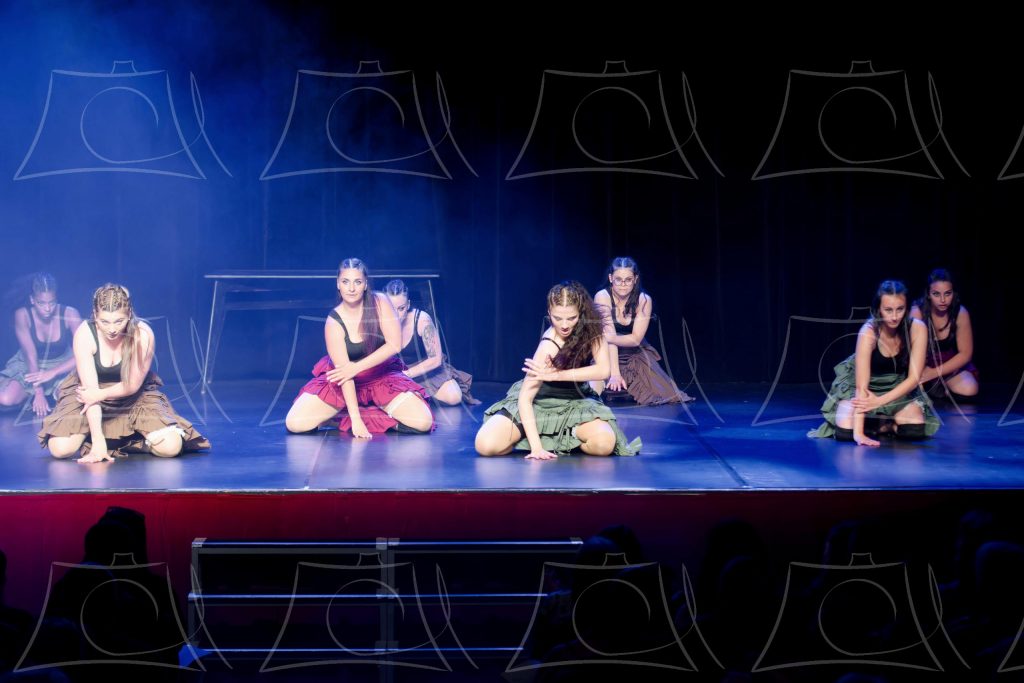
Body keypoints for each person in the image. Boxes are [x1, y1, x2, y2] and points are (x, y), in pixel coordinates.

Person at [37, 283, 209, 462]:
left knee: (171, 447)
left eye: (119, 321)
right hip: (90, 396)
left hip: (132, 396)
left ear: (129, 314)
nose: (112, 329)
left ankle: (132, 440)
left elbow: (132, 385)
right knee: (60, 449)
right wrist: (97, 441)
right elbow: (90, 394)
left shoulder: (142, 334)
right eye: (104, 321)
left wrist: (101, 394)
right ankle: (98, 439)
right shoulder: (85, 333)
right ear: (95, 315)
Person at [475, 280, 641, 458]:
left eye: (571, 318)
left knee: (604, 445)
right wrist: (536, 448)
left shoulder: (592, 329)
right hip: (539, 402)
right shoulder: (548, 344)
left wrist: (557, 375)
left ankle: (569, 435)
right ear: (549, 313)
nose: (564, 325)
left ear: (580, 313)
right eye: (557, 318)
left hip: (575, 402)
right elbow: (525, 398)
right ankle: (530, 435)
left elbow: (603, 370)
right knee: (485, 445)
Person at [285, 259, 434, 438]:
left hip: (380, 377)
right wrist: (355, 421)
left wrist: (356, 367)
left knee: (423, 422)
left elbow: (394, 344)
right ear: (338, 284)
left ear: (365, 284)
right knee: (294, 423)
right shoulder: (334, 322)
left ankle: (369, 415)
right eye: (345, 282)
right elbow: (344, 374)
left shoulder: (380, 302)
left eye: (357, 282)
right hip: (343, 382)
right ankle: (350, 415)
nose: (351, 288)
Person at [809, 280, 939, 446]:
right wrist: (859, 434)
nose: (894, 316)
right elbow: (861, 387)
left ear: (906, 308)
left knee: (914, 430)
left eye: (900, 309)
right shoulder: (868, 332)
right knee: (846, 433)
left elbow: (914, 379)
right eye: (888, 310)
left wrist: (879, 401)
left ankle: (885, 424)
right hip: (865, 387)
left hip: (896, 386)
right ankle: (875, 423)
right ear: (878, 309)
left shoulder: (917, 328)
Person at [592, 257, 693, 404]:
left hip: (635, 353)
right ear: (610, 278)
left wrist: (611, 337)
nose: (623, 285)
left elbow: (635, 339)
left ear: (635, 279)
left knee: (667, 395)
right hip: (608, 352)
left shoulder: (644, 300)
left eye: (628, 280)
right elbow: (610, 340)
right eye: (618, 280)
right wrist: (615, 374)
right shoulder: (602, 296)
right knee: (595, 388)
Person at [383, 279, 480, 405]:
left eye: (401, 308)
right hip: (394, 373)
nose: (396, 315)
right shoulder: (378, 319)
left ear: (408, 305)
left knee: (454, 397)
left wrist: (407, 374)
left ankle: (421, 394)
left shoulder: (422, 320)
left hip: (425, 371)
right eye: (391, 308)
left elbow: (435, 359)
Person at [0, 273, 81, 416]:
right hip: (29, 366)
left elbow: (84, 354)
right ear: (32, 299)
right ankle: (31, 397)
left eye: (52, 302)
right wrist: (38, 393)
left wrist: (52, 372)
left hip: (62, 365)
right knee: (6, 398)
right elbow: (30, 355)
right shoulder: (22, 315)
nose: (48, 308)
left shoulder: (70, 314)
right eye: (41, 303)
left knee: (72, 400)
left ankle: (55, 394)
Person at [910, 268, 978, 401]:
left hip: (947, 365)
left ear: (953, 293)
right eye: (936, 294)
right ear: (928, 294)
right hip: (921, 363)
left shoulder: (960, 313)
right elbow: (913, 352)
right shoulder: (917, 312)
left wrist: (934, 373)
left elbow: (965, 354)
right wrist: (923, 372)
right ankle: (935, 388)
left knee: (970, 388)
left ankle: (939, 388)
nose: (943, 300)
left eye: (947, 294)